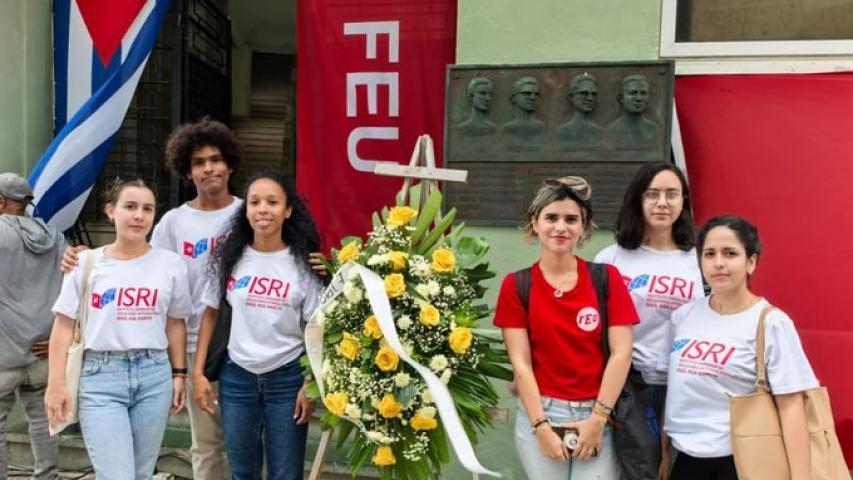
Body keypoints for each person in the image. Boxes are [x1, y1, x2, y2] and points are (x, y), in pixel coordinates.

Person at [61, 117, 241, 478]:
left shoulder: (248, 213)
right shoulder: (174, 222)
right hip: (189, 346)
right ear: (186, 171)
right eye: (198, 163)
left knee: (243, 442)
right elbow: (137, 259)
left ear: (230, 164)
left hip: (243, 343)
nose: (209, 169)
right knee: (205, 444)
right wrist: (86, 257)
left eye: (216, 159)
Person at [46, 179, 191, 480]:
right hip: (100, 379)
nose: (139, 215)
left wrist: (179, 373)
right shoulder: (85, 263)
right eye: (130, 207)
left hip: (154, 376)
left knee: (140, 474)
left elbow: (176, 322)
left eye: (147, 209)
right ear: (110, 211)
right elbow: (63, 326)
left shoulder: (171, 264)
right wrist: (55, 383)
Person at [494, 176, 638, 479]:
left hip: (598, 413)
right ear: (535, 223)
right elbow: (521, 364)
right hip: (541, 413)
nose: (561, 227)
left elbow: (622, 354)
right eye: (551, 218)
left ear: (584, 227)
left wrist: (598, 419)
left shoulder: (606, 279)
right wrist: (541, 427)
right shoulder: (518, 285)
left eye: (571, 219)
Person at [661, 215, 817, 480]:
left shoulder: (771, 322)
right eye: (709, 254)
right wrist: (664, 455)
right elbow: (674, 388)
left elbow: (791, 408)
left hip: (742, 460)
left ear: (751, 262)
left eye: (730, 253)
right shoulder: (684, 316)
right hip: (683, 457)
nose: (718, 263)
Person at [192, 171, 322, 480]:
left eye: (272, 202)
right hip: (237, 377)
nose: (263, 209)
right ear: (246, 210)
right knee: (242, 472)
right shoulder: (229, 259)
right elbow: (209, 314)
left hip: (288, 379)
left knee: (286, 474)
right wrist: (197, 373)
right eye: (255, 202)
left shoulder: (304, 264)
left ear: (287, 210)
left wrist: (310, 383)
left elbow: (316, 328)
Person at [594, 161, 704, 475]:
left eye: (672, 194)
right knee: (637, 470)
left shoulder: (700, 260)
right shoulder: (611, 259)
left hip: (685, 384)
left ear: (684, 201)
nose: (662, 203)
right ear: (637, 200)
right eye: (652, 194)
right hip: (630, 384)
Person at [0, 173, 63, 479]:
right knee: (44, 421)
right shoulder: (55, 236)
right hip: (44, 350)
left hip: (3, 355)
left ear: (0, 201)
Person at [605, 73, 661, 145]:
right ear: (621, 97)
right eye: (633, 93)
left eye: (643, 93)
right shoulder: (611, 131)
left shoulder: (654, 131)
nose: (639, 98)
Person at [556, 73, 603, 144]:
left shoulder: (598, 131)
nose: (590, 98)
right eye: (584, 93)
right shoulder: (562, 131)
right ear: (571, 97)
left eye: (593, 94)